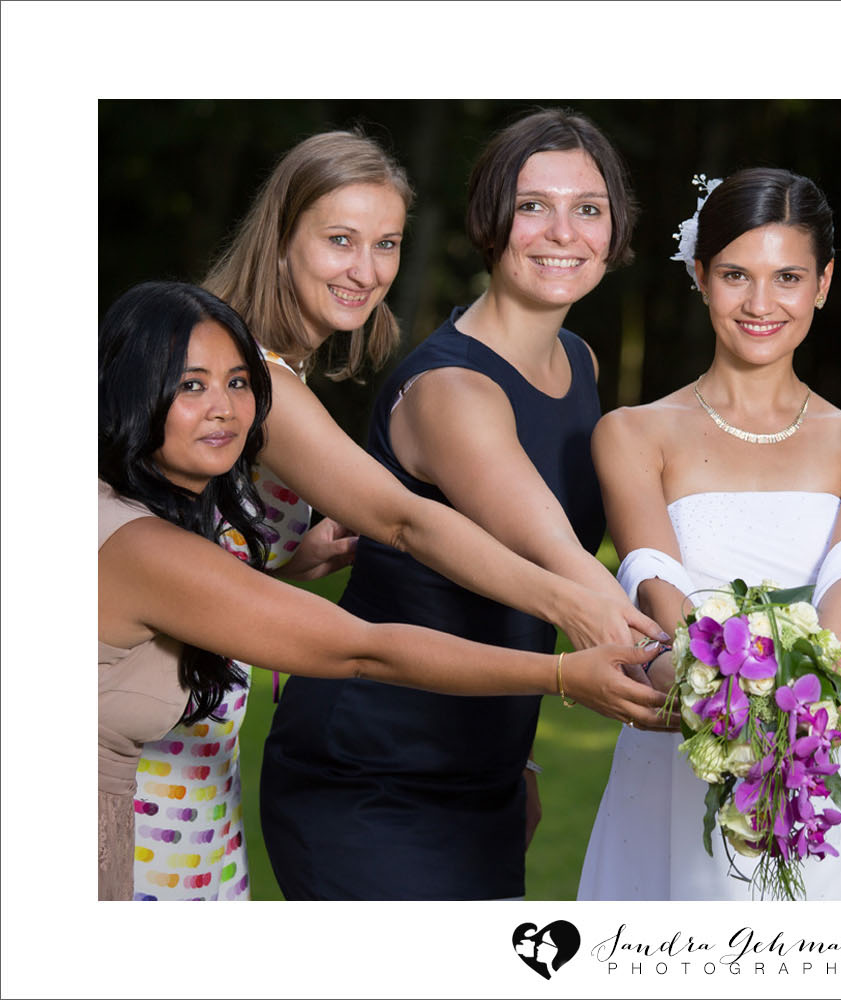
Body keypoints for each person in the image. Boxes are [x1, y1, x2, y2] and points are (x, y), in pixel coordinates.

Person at [131, 130, 657, 900]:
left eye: (386, 244)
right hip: (154, 728)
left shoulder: (272, 373)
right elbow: (402, 521)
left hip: (205, 721)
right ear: (281, 240)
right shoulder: (253, 379)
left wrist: (284, 562)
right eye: (339, 241)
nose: (365, 271)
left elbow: (182, 534)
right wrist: (584, 610)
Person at [577, 168, 841, 900]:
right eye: (735, 275)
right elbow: (651, 574)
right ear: (699, 276)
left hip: (818, 740)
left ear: (822, 284)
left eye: (788, 276)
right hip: (684, 733)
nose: (762, 304)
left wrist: (797, 718)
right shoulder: (632, 432)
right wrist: (717, 709)